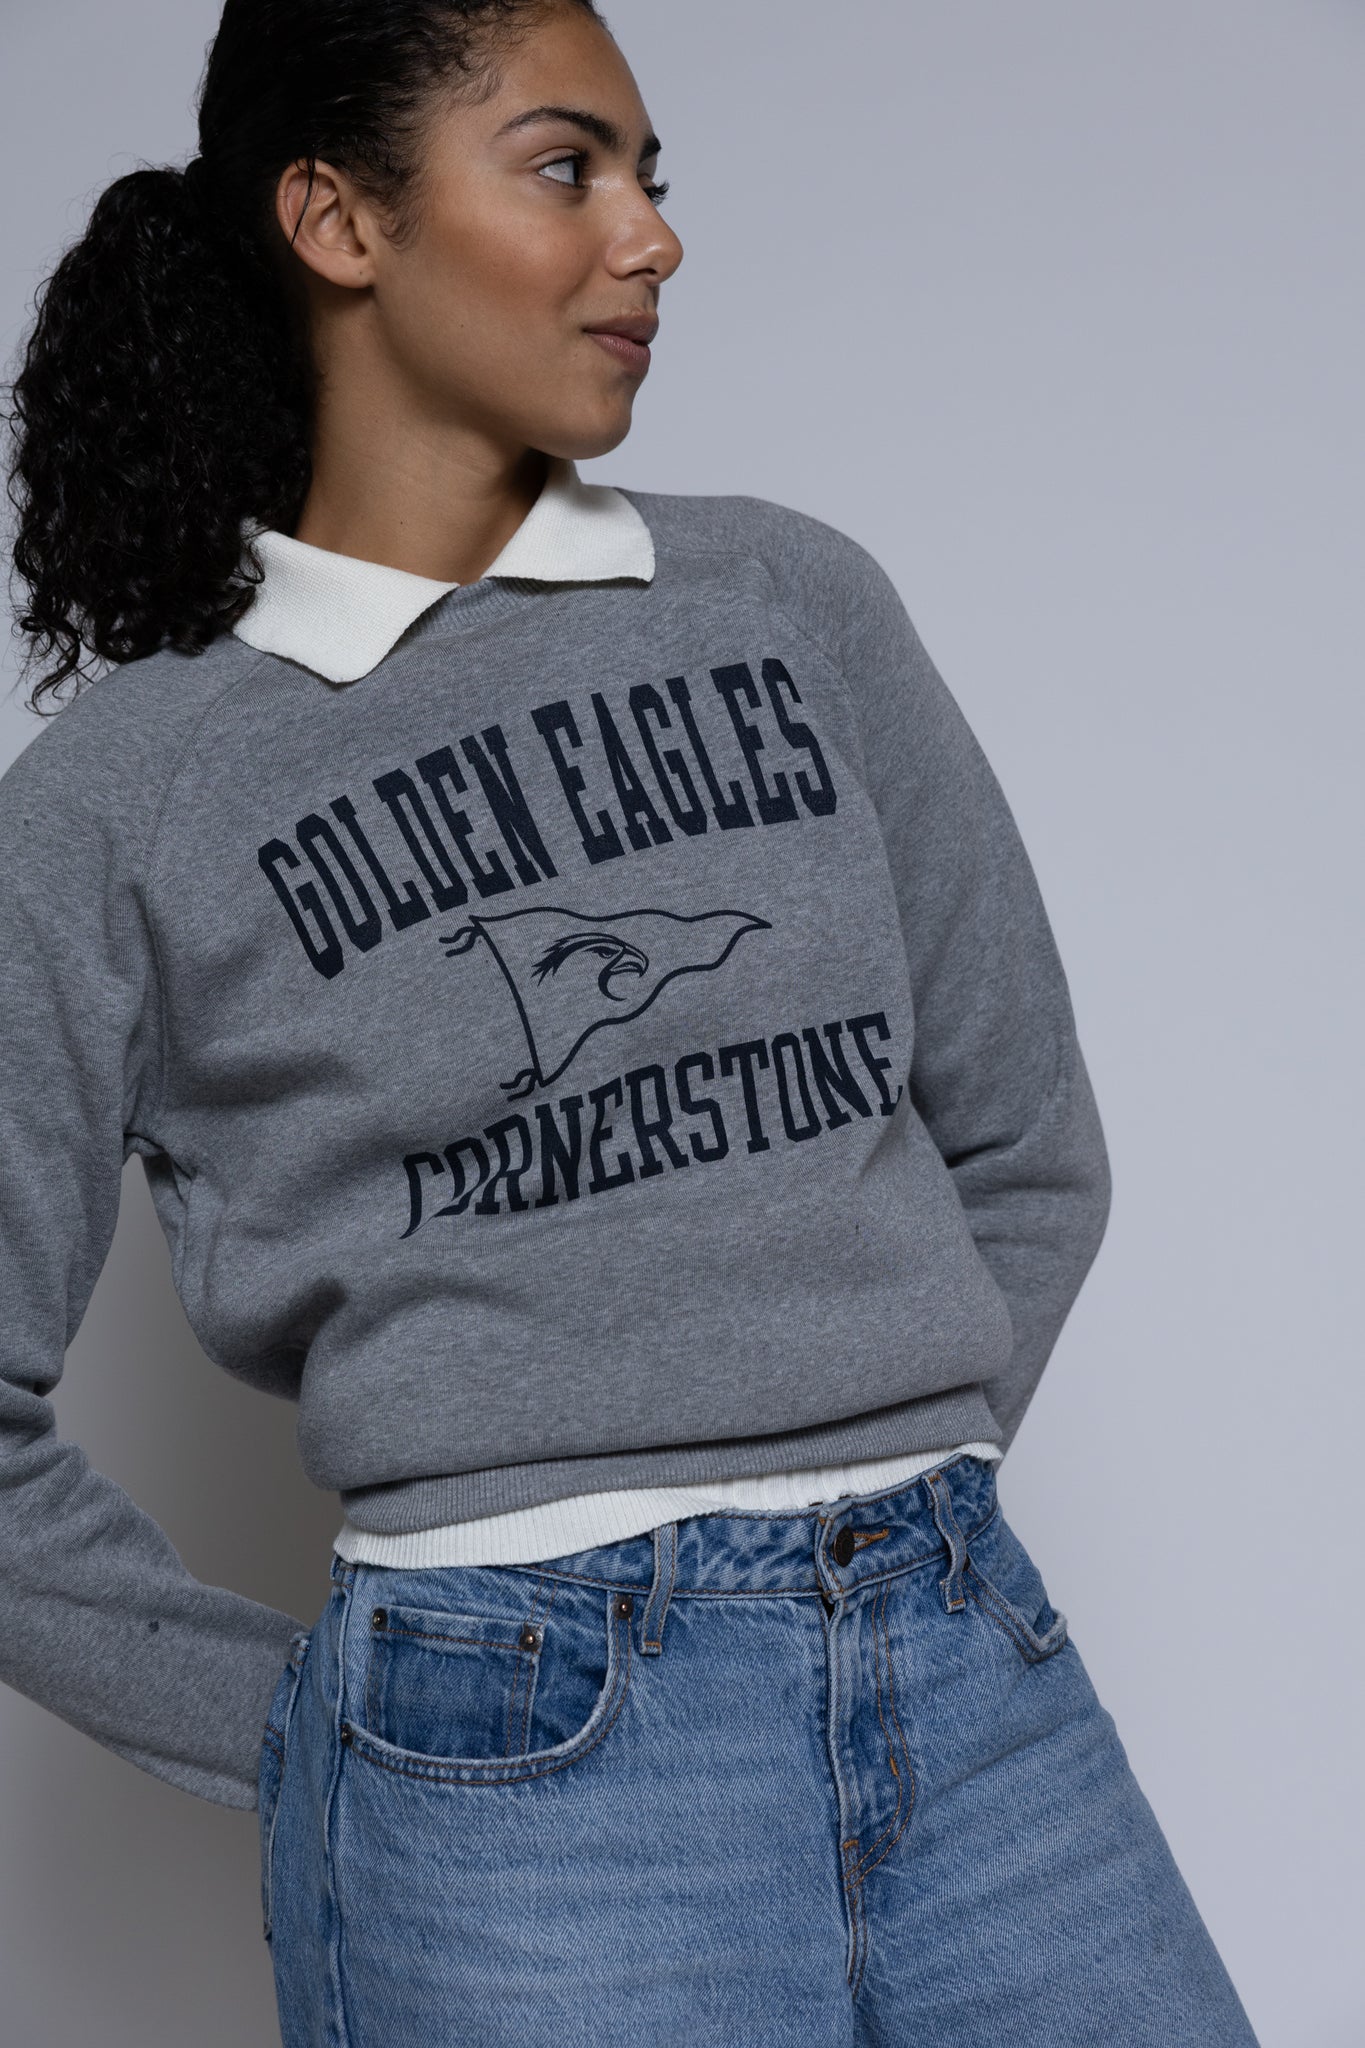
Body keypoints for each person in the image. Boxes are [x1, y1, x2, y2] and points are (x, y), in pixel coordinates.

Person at [0, 2, 1262, 2042]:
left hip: (965, 1664)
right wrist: (327, 1735)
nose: (650, 235)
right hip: (519, 1755)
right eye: (565, 166)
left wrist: (890, 1497)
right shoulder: (130, 792)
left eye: (651, 179)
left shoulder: (791, 601)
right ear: (337, 220)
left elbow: (1027, 1146)